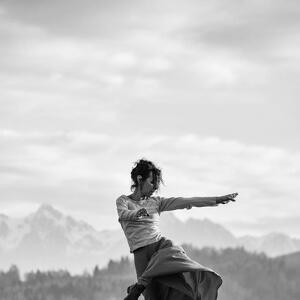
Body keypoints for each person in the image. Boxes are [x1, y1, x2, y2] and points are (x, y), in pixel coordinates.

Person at [116, 158, 238, 300]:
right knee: (153, 296)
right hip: (141, 252)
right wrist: (137, 213)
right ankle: (139, 286)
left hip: (161, 248)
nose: (155, 187)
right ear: (139, 179)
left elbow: (187, 201)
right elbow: (123, 215)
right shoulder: (123, 201)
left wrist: (216, 199)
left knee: (182, 285)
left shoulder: (156, 202)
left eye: (156, 184)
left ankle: (140, 285)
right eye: (151, 182)